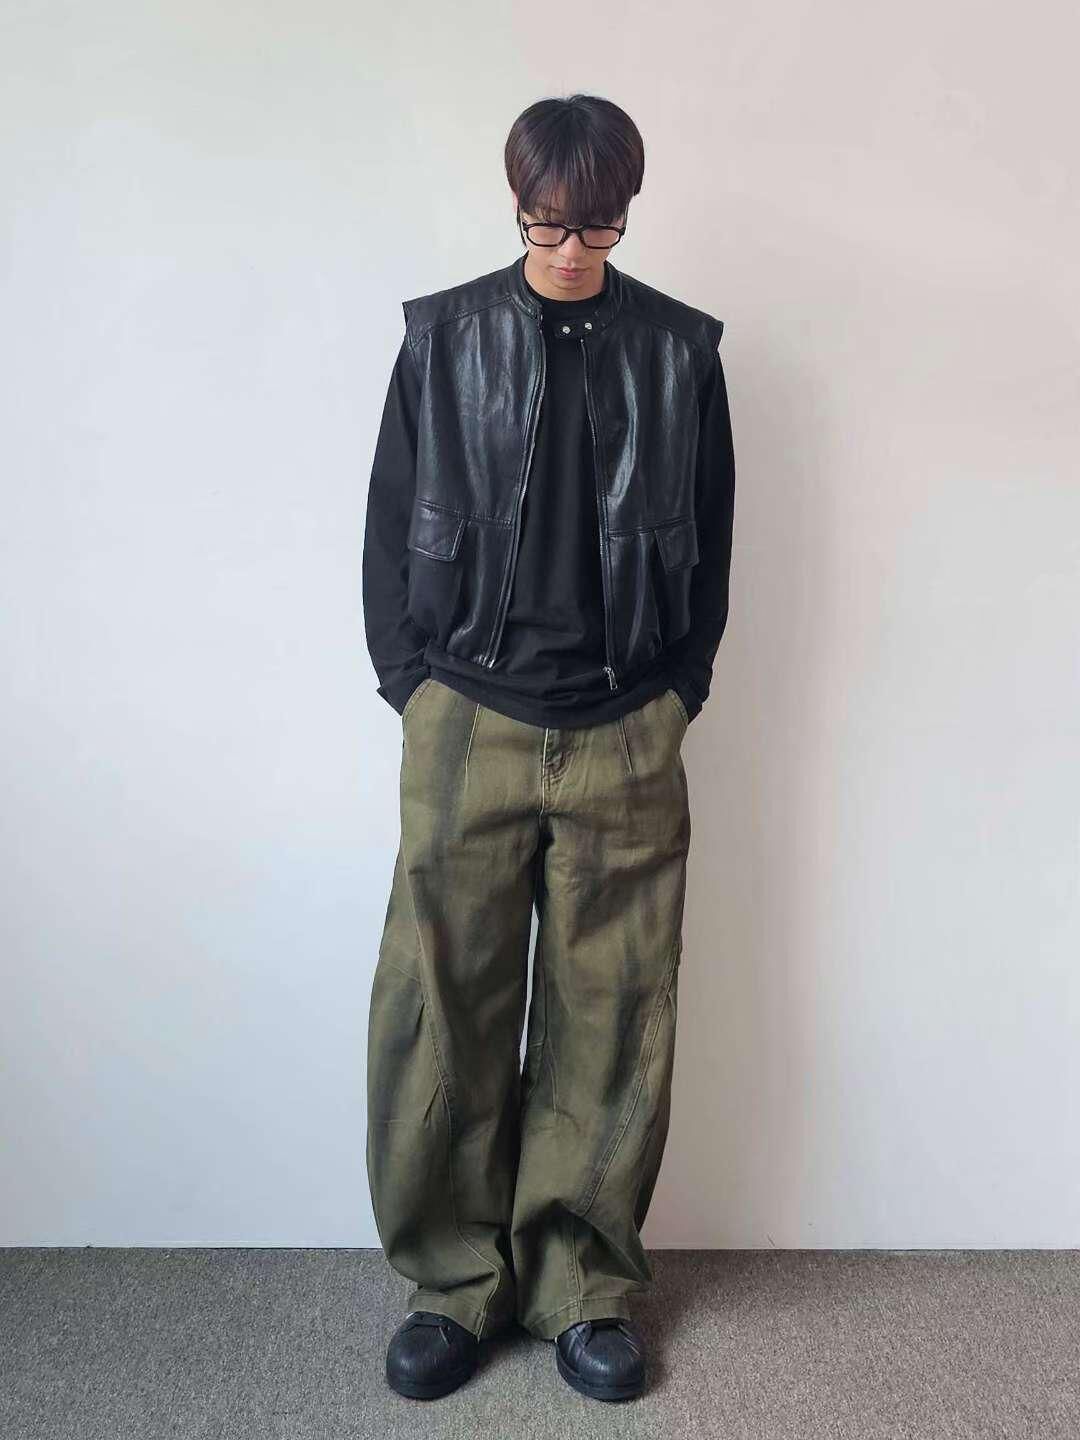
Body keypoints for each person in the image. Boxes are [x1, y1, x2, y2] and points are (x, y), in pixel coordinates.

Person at [361, 92, 736, 1403]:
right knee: (441, 1008)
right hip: (466, 716)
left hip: (625, 721)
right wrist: (412, 684)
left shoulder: (681, 353)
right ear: (517, 203)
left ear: (627, 212)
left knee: (614, 1013)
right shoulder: (442, 339)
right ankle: (454, 1284)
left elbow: (712, 535)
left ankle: (581, 1286)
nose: (572, 249)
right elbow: (387, 520)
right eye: (549, 224)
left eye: (599, 226)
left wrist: (677, 689)